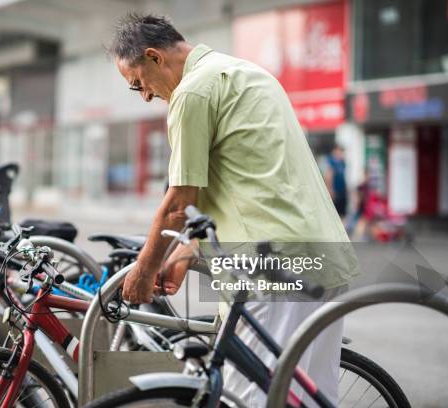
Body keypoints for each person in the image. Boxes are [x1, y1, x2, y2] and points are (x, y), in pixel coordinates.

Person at [108, 13, 358, 406]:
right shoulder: (246, 73)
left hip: (272, 267)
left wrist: (145, 268)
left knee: (244, 400)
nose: (144, 96)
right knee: (310, 397)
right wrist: (184, 254)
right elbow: (249, 183)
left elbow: (178, 202)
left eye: (138, 84)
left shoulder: (192, 93)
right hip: (322, 255)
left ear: (154, 57)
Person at [324, 145, 348, 220]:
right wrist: (330, 190)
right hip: (335, 192)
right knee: (334, 214)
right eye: (340, 152)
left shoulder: (342, 163)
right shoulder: (331, 162)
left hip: (342, 192)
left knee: (342, 214)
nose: (341, 154)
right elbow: (328, 176)